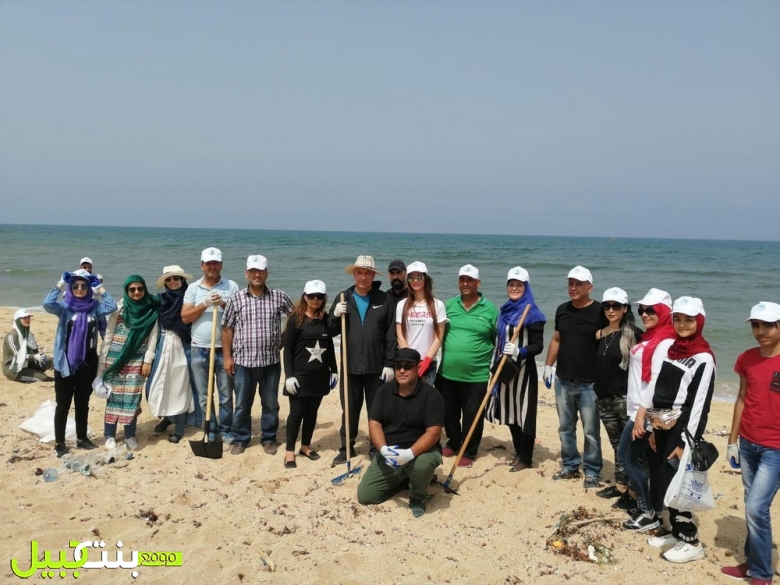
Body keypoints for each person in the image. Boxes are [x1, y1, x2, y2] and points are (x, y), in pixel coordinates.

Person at [640, 296, 716, 563]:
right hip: (662, 424)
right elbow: (661, 393)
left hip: (682, 429)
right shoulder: (674, 349)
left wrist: (685, 443)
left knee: (678, 482)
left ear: (700, 321)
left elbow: (699, 406)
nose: (683, 324)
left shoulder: (703, 358)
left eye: (689, 319)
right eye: (678, 319)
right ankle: (674, 531)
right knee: (662, 479)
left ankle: (691, 541)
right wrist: (651, 428)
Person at [721, 302, 780, 585]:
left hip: (776, 448)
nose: (761, 331)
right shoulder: (746, 358)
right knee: (751, 504)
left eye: (768, 325)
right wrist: (732, 441)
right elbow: (743, 398)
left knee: (757, 507)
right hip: (748, 443)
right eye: (756, 325)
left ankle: (762, 574)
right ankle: (752, 561)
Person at [356, 348, 445, 518]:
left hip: (421, 452)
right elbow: (374, 423)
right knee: (366, 496)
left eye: (408, 366)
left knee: (423, 465)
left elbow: (434, 432)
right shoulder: (383, 391)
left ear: (418, 368)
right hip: (391, 452)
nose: (402, 370)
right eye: (398, 366)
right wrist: (383, 450)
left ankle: (418, 496)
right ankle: (405, 479)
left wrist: (410, 453)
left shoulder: (431, 395)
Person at [329, 255, 397, 465]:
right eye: (359, 272)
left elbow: (391, 334)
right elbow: (330, 331)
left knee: (376, 410)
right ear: (354, 274)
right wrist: (333, 315)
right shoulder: (343, 297)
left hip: (377, 367)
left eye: (367, 273)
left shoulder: (384, 299)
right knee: (349, 409)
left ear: (372, 276)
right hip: (350, 367)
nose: (363, 277)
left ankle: (375, 448)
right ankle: (346, 447)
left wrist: (390, 363)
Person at [222, 255, 294, 455]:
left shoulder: (278, 296)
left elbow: (295, 316)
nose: (256, 274)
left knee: (270, 403)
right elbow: (227, 330)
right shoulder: (236, 299)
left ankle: (269, 438)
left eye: (260, 271)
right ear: (246, 273)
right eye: (253, 271)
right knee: (242, 404)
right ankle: (241, 439)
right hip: (243, 362)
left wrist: (284, 338)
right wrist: (228, 358)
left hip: (270, 362)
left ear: (266, 274)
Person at [542, 265, 606, 488]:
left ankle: (592, 470)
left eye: (578, 284)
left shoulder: (600, 311)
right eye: (570, 283)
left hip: (590, 384)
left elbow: (609, 343)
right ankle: (570, 465)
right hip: (563, 380)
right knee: (565, 428)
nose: (573, 288)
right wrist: (548, 366)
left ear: (590, 286)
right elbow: (557, 339)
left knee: (590, 430)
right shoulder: (562, 310)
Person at [43, 269, 117, 457]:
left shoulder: (95, 308)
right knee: (63, 404)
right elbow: (47, 303)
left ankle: (82, 439)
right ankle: (60, 443)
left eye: (84, 286)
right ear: (71, 287)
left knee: (83, 402)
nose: (79, 288)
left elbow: (112, 305)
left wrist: (99, 287)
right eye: (75, 285)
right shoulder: (64, 308)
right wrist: (60, 284)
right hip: (65, 362)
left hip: (88, 361)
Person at [616, 288, 675, 514]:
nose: (645, 314)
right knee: (650, 462)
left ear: (664, 311)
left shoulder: (665, 342)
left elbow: (656, 383)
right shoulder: (651, 337)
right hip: (638, 410)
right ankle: (655, 509)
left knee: (626, 456)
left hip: (645, 413)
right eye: (641, 310)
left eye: (651, 310)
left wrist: (644, 417)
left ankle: (646, 507)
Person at [485, 266, 546, 472]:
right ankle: (518, 451)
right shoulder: (505, 310)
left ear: (526, 287)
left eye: (519, 285)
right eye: (511, 284)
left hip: (524, 372)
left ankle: (526, 458)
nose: (514, 288)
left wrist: (520, 351)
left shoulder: (533, 312)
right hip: (505, 368)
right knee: (510, 412)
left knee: (524, 414)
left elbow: (538, 346)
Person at [437, 264, 498, 468]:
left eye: (469, 280)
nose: (465, 283)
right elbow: (438, 334)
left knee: (473, 416)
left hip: (476, 376)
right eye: (462, 279)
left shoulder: (490, 309)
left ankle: (469, 450)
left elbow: (498, 340)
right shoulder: (449, 305)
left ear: (477, 283)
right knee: (449, 414)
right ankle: (454, 442)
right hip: (447, 373)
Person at [181, 247, 239, 444]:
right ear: (202, 265)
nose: (211, 266)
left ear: (221, 265)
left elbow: (240, 316)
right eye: (208, 263)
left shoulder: (231, 286)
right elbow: (185, 317)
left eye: (215, 263)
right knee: (205, 395)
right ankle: (210, 429)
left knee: (225, 394)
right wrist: (204, 304)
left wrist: (224, 304)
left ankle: (226, 430)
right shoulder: (193, 288)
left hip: (224, 350)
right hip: (199, 349)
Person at [97, 276, 160, 450]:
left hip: (137, 360)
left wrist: (148, 360)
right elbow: (108, 336)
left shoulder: (150, 311)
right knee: (113, 398)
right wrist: (102, 366)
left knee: (133, 397)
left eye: (140, 289)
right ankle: (109, 435)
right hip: (115, 360)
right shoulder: (119, 310)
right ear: (127, 291)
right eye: (132, 289)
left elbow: (153, 338)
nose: (137, 292)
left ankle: (129, 434)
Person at [282, 280, 338, 468]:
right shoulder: (295, 319)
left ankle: (305, 446)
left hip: (320, 376)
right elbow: (288, 348)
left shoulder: (326, 319)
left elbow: (330, 345)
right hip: (299, 376)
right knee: (296, 413)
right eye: (312, 295)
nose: (315, 299)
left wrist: (334, 370)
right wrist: (289, 375)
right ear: (305, 296)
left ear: (324, 298)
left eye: (320, 296)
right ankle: (290, 451)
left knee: (312, 413)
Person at [593, 287, 642, 498]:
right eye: (607, 306)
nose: (611, 310)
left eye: (616, 306)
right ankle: (621, 486)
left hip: (625, 398)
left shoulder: (634, 335)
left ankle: (635, 490)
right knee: (616, 444)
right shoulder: (599, 333)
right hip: (603, 398)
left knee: (631, 448)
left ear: (625, 309)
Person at [145, 265, 196, 444]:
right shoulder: (160, 300)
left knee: (181, 385)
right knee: (161, 383)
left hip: (183, 346)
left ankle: (180, 427)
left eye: (176, 278)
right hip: (163, 345)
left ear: (182, 280)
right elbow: (138, 303)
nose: (173, 282)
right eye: (169, 279)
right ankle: (167, 418)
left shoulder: (190, 299)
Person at [395, 261, 447, 385]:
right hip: (406, 363)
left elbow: (438, 337)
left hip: (428, 364)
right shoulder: (401, 305)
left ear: (426, 279)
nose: (415, 280)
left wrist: (426, 361)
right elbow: (400, 335)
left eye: (419, 276)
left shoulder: (438, 305)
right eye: (411, 277)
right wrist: (409, 360)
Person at [3, 309, 54, 382]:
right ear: (17, 320)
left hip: (27, 364)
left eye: (28, 317)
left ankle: (32, 372)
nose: (27, 319)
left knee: (48, 360)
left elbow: (35, 351)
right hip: (13, 368)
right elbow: (18, 356)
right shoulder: (11, 336)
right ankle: (15, 377)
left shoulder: (30, 335)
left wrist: (39, 356)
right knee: (43, 378)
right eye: (24, 318)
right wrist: (34, 357)